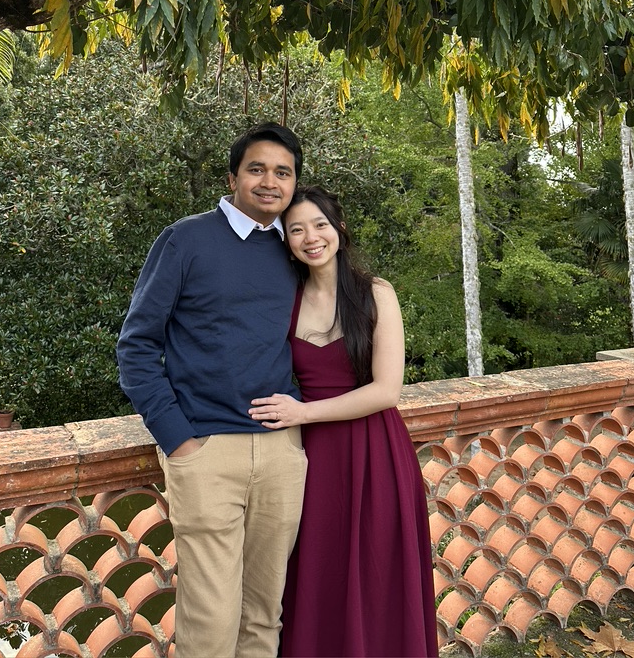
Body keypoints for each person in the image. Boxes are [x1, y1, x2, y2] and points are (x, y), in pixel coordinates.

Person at [116, 123, 308, 658]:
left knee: (264, 614)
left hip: (280, 450)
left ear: (294, 184)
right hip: (205, 450)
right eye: (257, 169)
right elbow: (135, 347)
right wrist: (178, 438)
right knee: (210, 623)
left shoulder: (294, 250)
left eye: (283, 172)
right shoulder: (186, 240)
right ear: (232, 177)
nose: (270, 182)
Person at [249, 185, 439, 658]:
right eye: (296, 229)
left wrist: (303, 411)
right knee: (316, 573)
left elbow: (386, 390)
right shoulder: (283, 298)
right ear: (285, 239)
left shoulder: (375, 294)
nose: (310, 237)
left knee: (378, 576)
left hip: (375, 451)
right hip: (308, 457)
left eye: (319, 225)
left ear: (339, 229)